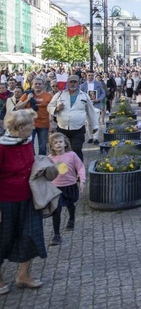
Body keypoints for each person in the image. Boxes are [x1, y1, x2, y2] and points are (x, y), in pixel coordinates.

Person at [0, 109, 53, 292]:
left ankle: (23, 276)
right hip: (5, 201)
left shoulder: (28, 141)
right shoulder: (2, 147)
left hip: (29, 197)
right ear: (20, 127)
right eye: (31, 124)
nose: (34, 126)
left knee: (30, 235)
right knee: (3, 239)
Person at [46, 132, 85, 246]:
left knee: (70, 204)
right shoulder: (49, 158)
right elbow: (46, 172)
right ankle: (56, 235)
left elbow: (81, 167)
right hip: (56, 188)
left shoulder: (72, 155)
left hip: (70, 185)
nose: (58, 144)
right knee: (56, 210)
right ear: (52, 146)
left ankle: (71, 218)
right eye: (55, 143)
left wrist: (82, 181)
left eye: (60, 142)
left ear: (65, 143)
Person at [48, 75, 99, 161]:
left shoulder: (84, 96)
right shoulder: (59, 95)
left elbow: (91, 112)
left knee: (76, 149)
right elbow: (49, 107)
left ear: (78, 83)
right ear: (67, 83)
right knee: (62, 151)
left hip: (78, 129)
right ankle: (65, 171)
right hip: (62, 128)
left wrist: (95, 127)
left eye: (75, 82)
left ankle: (78, 171)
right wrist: (56, 109)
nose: (72, 84)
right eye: (71, 82)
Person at [16, 77, 52, 156]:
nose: (37, 85)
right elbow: (17, 107)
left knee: (42, 146)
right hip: (29, 124)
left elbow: (51, 111)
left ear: (43, 85)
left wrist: (52, 124)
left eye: (39, 84)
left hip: (44, 124)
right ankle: (31, 161)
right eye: (35, 84)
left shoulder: (48, 96)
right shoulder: (27, 94)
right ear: (32, 85)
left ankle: (41, 163)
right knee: (29, 145)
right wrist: (28, 99)